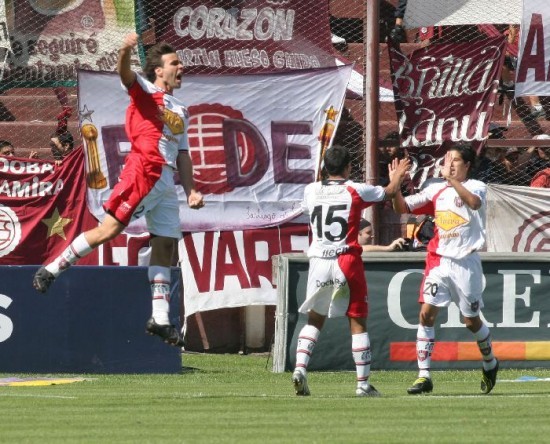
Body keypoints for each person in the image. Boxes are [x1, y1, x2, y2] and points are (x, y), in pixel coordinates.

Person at [32, 32, 204, 347]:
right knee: (109, 230)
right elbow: (125, 75)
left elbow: (183, 153)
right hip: (143, 171)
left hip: (166, 182)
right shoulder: (145, 91)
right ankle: (52, 268)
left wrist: (191, 189)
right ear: (158, 71)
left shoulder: (181, 110)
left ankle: (161, 318)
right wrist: (124, 51)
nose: (181, 67)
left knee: (165, 245)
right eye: (174, 63)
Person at [292, 144, 410, 397]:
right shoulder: (355, 189)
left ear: (325, 168)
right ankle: (363, 385)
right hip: (345, 259)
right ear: (348, 168)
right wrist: (397, 175)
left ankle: (300, 368)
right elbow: (389, 193)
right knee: (357, 321)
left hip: (319, 261)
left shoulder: (311, 191)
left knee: (314, 319)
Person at [390, 142, 499, 395]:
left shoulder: (476, 187)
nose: (448, 164)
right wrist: (396, 184)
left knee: (470, 321)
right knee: (426, 314)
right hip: (438, 261)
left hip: (466, 263)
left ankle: (490, 362)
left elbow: (472, 203)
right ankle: (423, 376)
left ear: (467, 165)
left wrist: (453, 182)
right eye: (446, 159)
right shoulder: (435, 190)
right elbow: (401, 208)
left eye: (455, 160)